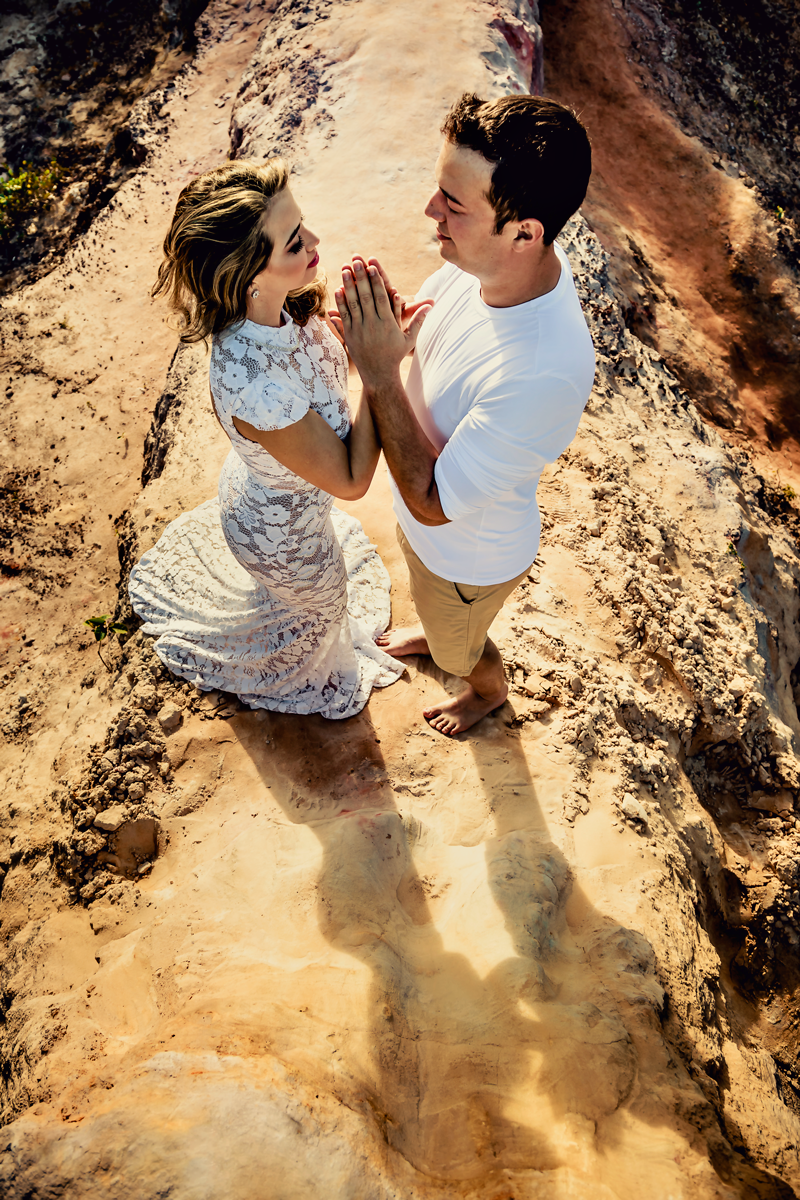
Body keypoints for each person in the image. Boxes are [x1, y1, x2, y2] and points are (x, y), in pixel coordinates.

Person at [334, 93, 595, 735]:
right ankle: (443, 629)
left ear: (525, 233)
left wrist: (377, 369)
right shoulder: (487, 266)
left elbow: (431, 500)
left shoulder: (541, 373)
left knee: (459, 648)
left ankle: (486, 690)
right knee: (438, 614)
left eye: (453, 204)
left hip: (465, 562)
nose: (431, 211)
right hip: (433, 540)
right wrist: (391, 337)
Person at [129, 159, 427, 719]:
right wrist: (380, 369)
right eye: (294, 242)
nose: (315, 241)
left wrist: (375, 335)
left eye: (302, 224)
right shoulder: (255, 388)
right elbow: (351, 479)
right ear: (248, 273)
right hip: (285, 539)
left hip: (267, 492)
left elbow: (317, 378)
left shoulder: (279, 304)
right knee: (325, 615)